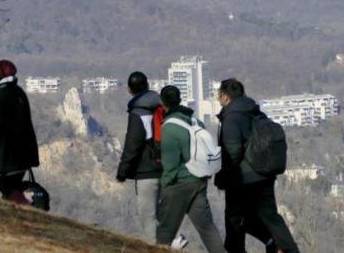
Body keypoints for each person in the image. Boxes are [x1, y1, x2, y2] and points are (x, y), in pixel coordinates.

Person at [216, 78, 299, 253]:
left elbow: (233, 153)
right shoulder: (255, 112)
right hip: (264, 174)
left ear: (225, 96)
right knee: (269, 216)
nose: (218, 98)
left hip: (243, 179)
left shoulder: (231, 118)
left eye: (219, 95)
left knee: (234, 219)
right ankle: (285, 247)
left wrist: (223, 177)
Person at [156, 86, 226, 253]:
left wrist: (163, 187)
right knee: (207, 229)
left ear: (162, 104)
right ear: (180, 100)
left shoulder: (169, 128)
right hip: (199, 181)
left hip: (179, 184)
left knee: (165, 232)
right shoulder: (195, 121)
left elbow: (170, 166)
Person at [115, 72, 165, 242]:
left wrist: (122, 171)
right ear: (147, 85)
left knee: (147, 216)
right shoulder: (162, 107)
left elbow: (133, 145)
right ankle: (172, 242)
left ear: (129, 90)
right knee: (159, 215)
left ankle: (169, 244)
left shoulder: (138, 113)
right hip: (167, 169)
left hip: (146, 171)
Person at [0, 59, 40, 203]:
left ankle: (24, 211)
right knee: (12, 191)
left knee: (8, 192)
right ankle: (18, 210)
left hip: (7, 158)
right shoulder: (20, 93)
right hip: (24, 156)